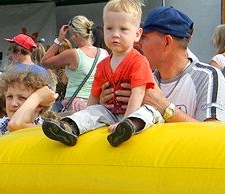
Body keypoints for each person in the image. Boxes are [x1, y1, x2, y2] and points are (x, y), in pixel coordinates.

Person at [41, 0, 159, 148]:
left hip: (133, 112)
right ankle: (70, 127)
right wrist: (87, 115)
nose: (115, 34)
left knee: (149, 111)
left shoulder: (138, 61)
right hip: (110, 113)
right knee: (95, 110)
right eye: (109, 28)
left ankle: (129, 127)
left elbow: (138, 93)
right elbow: (94, 97)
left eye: (123, 29)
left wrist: (125, 120)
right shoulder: (103, 65)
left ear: (137, 34)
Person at [100, 6, 225, 123]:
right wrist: (108, 106)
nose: (136, 43)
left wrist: (164, 107)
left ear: (167, 42)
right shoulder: (143, 77)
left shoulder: (207, 77)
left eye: (144, 37)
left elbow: (215, 136)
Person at [40, 15, 107, 114]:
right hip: (97, 104)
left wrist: (59, 39)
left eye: (71, 35)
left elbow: (44, 62)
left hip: (75, 104)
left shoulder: (73, 54)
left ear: (76, 35)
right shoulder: (104, 53)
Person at [0, 69, 56, 138]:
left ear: (39, 105)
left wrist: (38, 96)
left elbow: (16, 124)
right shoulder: (1, 126)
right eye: (9, 97)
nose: (13, 103)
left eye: (22, 98)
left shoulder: (45, 130)